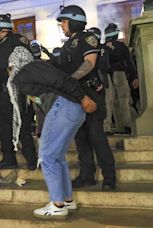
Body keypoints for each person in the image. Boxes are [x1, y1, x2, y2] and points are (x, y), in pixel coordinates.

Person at [9, 52, 96, 219]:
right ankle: (67, 200)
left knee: (47, 156)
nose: (9, 70)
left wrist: (83, 97)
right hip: (68, 109)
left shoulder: (30, 68)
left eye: (10, 66)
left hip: (63, 107)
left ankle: (57, 205)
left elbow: (60, 79)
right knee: (57, 157)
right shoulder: (25, 75)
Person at [56, 5, 117, 191]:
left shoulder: (87, 38)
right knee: (80, 136)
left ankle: (109, 177)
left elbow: (89, 63)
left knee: (95, 135)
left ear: (74, 21)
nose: (62, 25)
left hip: (90, 92)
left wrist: (70, 80)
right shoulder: (66, 45)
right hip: (74, 95)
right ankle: (87, 175)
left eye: (64, 22)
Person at [0, 13, 37, 170]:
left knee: (22, 126)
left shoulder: (17, 42)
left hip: (15, 92)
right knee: (2, 128)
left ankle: (31, 159)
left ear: (0, 29)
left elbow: (25, 65)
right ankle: (8, 158)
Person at [104, 23, 139, 134]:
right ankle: (125, 125)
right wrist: (134, 77)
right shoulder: (122, 46)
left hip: (107, 75)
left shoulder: (102, 48)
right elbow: (129, 62)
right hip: (120, 74)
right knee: (123, 100)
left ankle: (107, 127)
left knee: (108, 101)